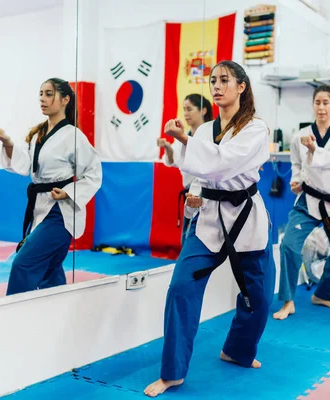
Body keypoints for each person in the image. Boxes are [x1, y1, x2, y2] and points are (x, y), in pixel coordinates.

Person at [144, 60, 275, 397]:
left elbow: (223, 162)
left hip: (246, 217)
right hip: (207, 220)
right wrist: (192, 193)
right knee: (181, 289)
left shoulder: (256, 129)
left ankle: (237, 351)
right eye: (213, 80)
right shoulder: (204, 131)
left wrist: (184, 139)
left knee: (258, 298)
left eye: (225, 80)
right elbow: (201, 173)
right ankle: (172, 372)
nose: (216, 86)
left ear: (242, 86)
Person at [0, 78, 102, 296]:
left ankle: (12, 315)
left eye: (49, 94)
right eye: (41, 93)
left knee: (23, 264)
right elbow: (25, 165)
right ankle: (58, 318)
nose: (42, 98)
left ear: (65, 100)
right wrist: (7, 143)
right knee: (50, 271)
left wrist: (68, 192)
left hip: (60, 212)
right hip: (40, 207)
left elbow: (94, 173)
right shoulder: (39, 135)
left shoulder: (73, 136)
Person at [272, 84, 330, 321]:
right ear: (313, 105)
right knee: (288, 245)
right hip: (308, 200)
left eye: (326, 102)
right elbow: (296, 165)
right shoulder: (300, 136)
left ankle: (324, 295)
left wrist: (313, 149)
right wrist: (296, 180)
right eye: (317, 103)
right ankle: (288, 301)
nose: (321, 107)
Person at [157, 94, 213, 244]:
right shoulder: (183, 136)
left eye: (189, 109)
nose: (186, 113)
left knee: (205, 238)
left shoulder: (213, 134)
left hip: (209, 192)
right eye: (184, 109)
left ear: (203, 110)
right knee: (188, 238)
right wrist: (168, 146)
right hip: (190, 192)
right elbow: (172, 161)